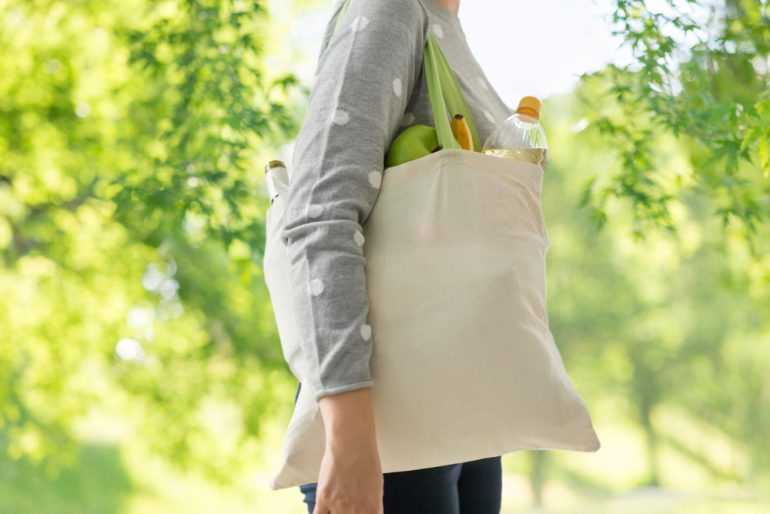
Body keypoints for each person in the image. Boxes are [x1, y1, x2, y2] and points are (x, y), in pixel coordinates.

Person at [281, 0, 513, 512]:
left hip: (461, 402)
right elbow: (321, 214)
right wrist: (351, 445)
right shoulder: (391, 11)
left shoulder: (442, 24)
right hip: (388, 416)